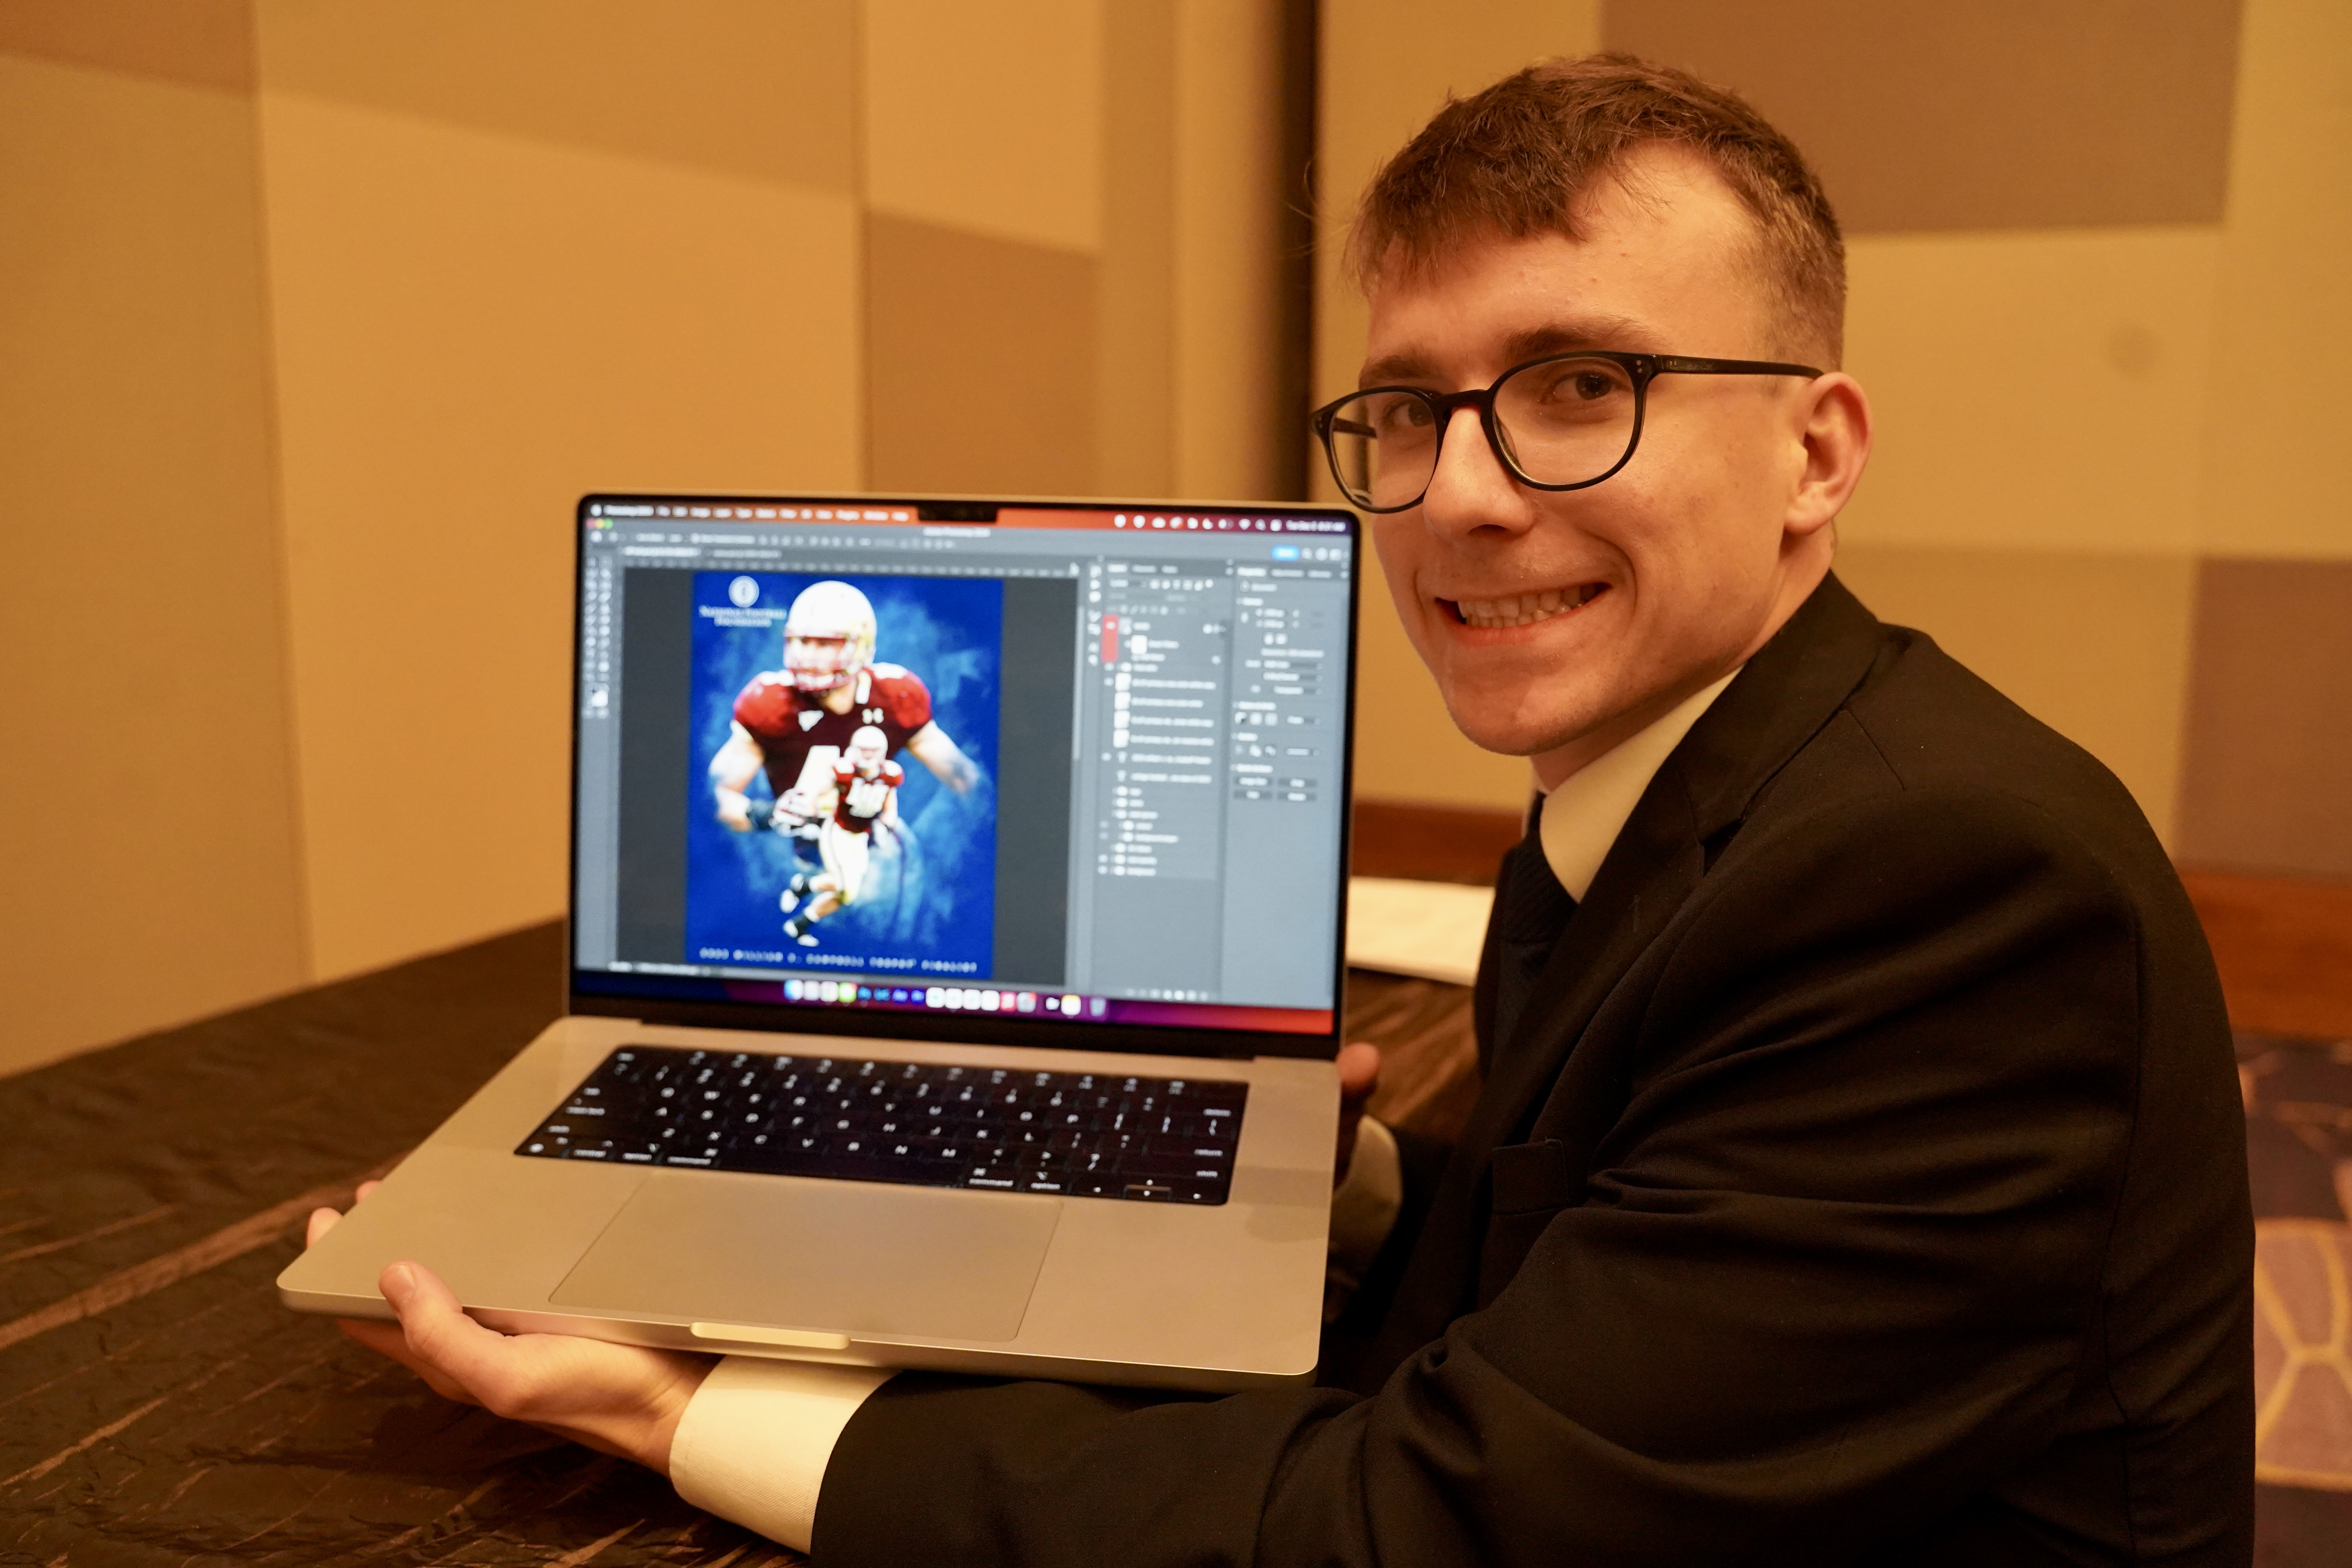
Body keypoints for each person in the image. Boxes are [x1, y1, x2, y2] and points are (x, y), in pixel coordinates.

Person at [307, 56, 2253, 1564]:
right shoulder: (1693, 787)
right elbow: (1638, 1230)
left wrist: (681, 1408)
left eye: (1579, 384)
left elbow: (1419, 1526)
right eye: (1406, 409)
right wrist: (1346, 1183)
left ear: (1816, 449)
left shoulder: (1951, 881)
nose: (1461, 494)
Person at [709, 579, 979, 841]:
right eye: (802, 641)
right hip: (799, 843)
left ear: (862, 646)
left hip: (874, 840)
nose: (808, 656)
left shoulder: (896, 696)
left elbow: (967, 780)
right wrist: (769, 815)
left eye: (826, 644)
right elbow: (715, 798)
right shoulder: (770, 702)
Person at [779, 724, 905, 947]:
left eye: (872, 750)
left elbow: (889, 805)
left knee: (848, 895)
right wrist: (808, 811)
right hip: (838, 831)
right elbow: (815, 791)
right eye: (863, 749)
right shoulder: (845, 771)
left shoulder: (890, 775)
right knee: (842, 883)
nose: (868, 755)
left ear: (882, 752)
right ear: (854, 749)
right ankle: (803, 886)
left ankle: (799, 925)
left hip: (861, 837)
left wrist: (887, 824)